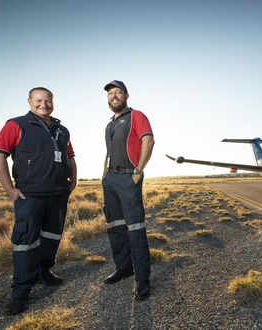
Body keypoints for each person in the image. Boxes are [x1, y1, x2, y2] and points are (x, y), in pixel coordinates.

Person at [0, 87, 77, 315]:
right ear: (29, 101)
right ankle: (21, 292)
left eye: (48, 100)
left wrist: (74, 179)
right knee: (26, 242)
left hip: (58, 194)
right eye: (38, 100)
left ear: (53, 102)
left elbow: (70, 156)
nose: (44, 104)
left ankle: (44, 271)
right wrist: (10, 189)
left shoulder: (62, 130)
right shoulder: (16, 125)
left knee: (52, 236)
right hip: (30, 195)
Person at [101, 80, 154, 301]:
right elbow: (109, 151)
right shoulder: (109, 124)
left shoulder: (137, 116)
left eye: (118, 92)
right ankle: (123, 268)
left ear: (126, 95)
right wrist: (103, 174)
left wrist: (138, 171)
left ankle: (142, 280)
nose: (114, 96)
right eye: (110, 93)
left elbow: (148, 141)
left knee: (135, 229)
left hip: (128, 177)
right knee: (115, 227)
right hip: (110, 180)